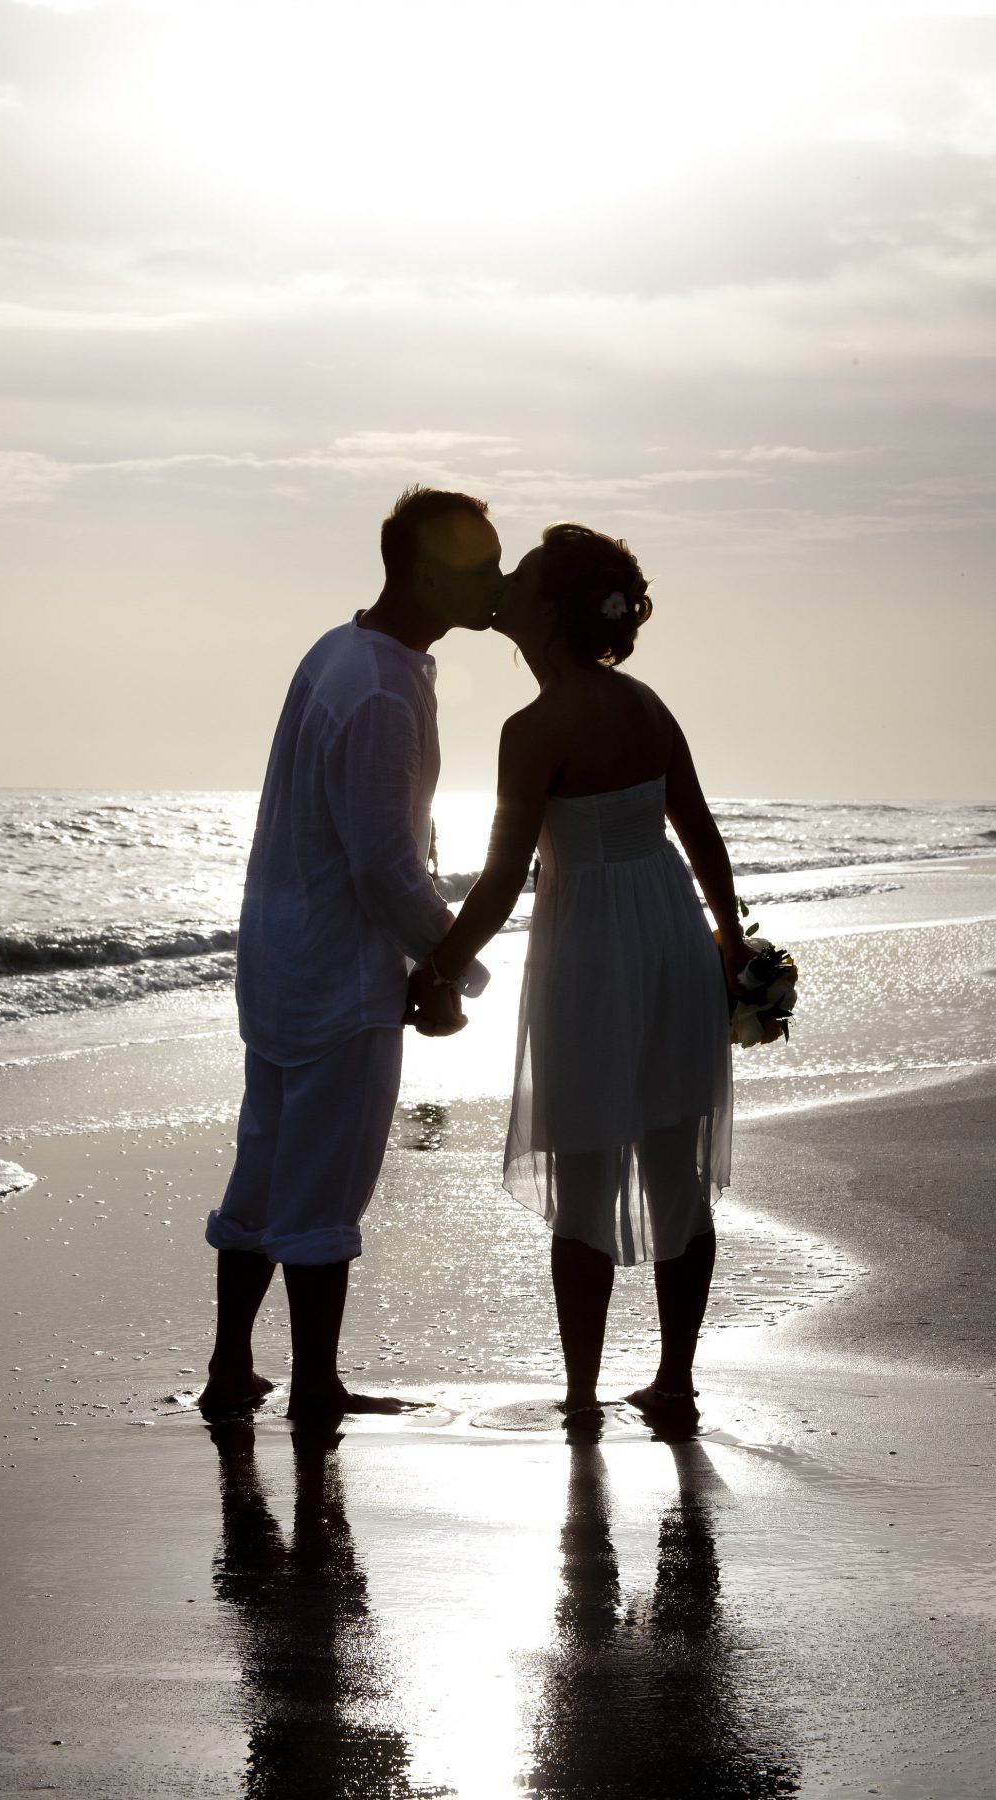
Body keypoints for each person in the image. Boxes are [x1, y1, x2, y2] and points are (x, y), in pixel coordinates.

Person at [422, 523, 746, 1427]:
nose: (506, 586)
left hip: (592, 952)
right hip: (673, 936)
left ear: (551, 611)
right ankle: (676, 1381)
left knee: (586, 1175)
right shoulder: (645, 704)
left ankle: (580, 1397)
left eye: (519, 576)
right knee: (673, 1169)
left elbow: (498, 880)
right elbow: (703, 837)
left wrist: (437, 968)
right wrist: (731, 943)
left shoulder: (532, 729)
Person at [199, 486, 500, 1420]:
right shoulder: (377, 685)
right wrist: (451, 968)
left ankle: (231, 1366)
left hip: (282, 952)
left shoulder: (344, 653)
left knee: (265, 1166)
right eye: (478, 566)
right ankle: (317, 1384)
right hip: (338, 966)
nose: (497, 581)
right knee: (325, 1182)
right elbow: (383, 863)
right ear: (420, 571)